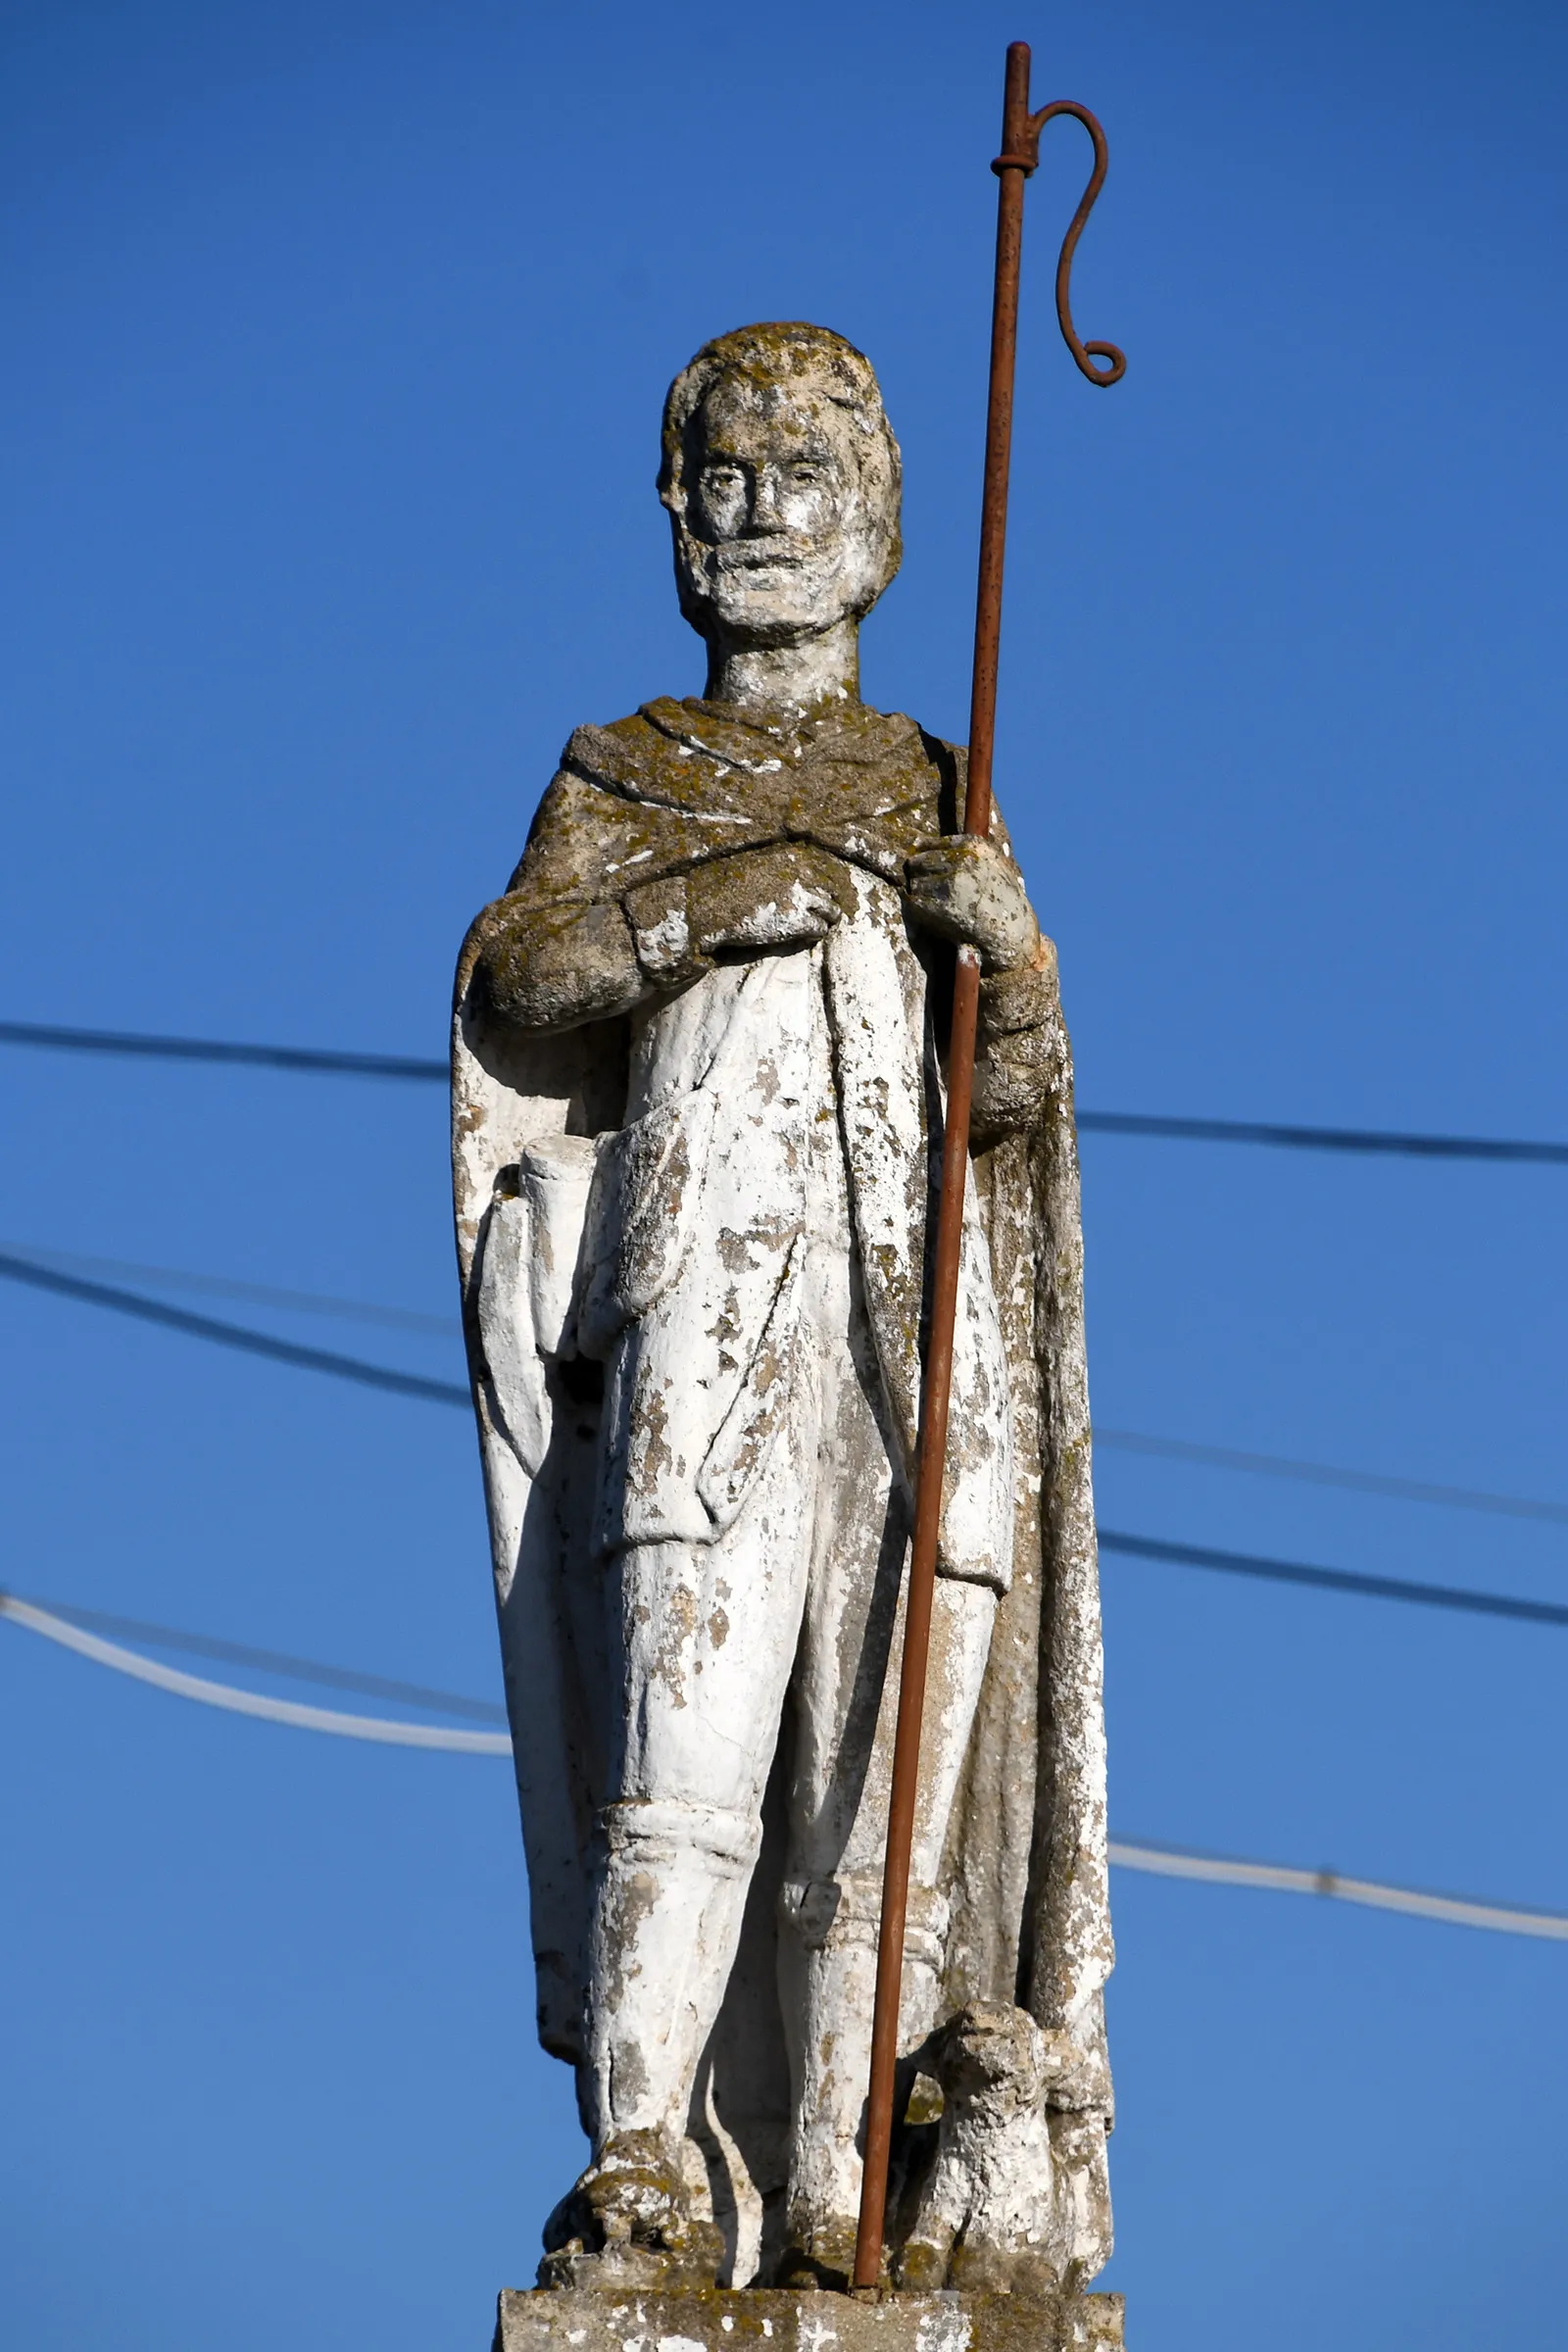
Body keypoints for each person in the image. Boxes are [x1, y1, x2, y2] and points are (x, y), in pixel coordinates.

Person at [452, 322, 1113, 2292]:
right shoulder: (626, 770)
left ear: (880, 521)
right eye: (723, 480)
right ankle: (644, 2151)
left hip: (917, 1344)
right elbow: (518, 981)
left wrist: (1017, 966)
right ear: (673, 516)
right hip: (703, 1313)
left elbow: (996, 1109)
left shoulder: (935, 786)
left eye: (800, 479)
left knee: (874, 1755)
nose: (759, 517)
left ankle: (837, 2170)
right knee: (688, 1720)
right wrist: (712, 902)